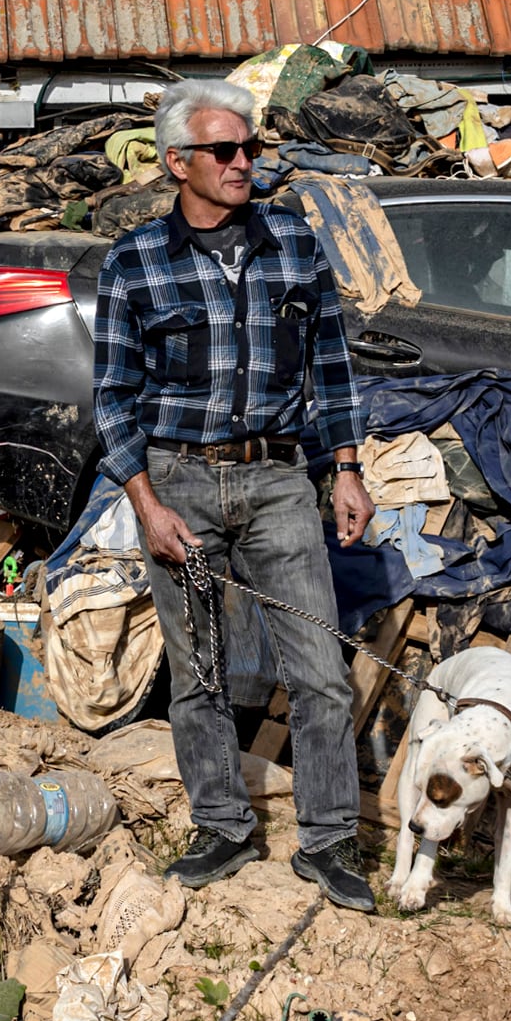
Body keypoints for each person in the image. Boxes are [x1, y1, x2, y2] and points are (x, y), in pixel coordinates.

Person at [88, 79, 376, 909]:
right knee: (203, 671)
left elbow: (331, 367)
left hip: (281, 478)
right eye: (225, 150)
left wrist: (346, 467)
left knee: (320, 668)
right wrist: (147, 503)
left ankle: (328, 841)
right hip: (179, 481)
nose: (244, 162)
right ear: (178, 162)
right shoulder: (137, 259)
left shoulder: (291, 242)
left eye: (250, 147)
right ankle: (222, 826)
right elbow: (112, 398)